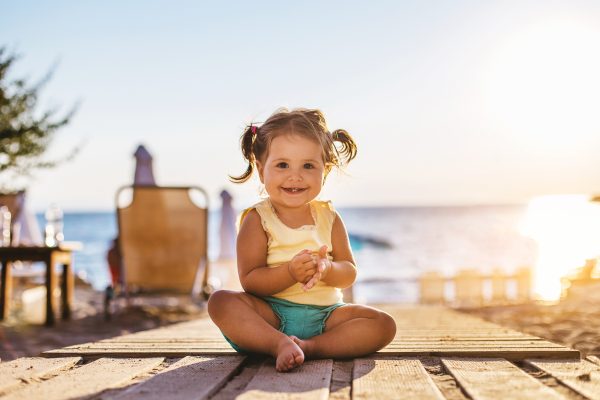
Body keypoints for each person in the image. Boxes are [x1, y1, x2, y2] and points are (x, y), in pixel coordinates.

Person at [208, 108, 396, 372]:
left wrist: (328, 269)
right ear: (262, 171)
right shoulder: (257, 219)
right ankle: (277, 344)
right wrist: (290, 272)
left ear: (325, 171)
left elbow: (349, 272)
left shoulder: (329, 217)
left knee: (383, 324)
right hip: (271, 316)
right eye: (282, 165)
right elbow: (250, 281)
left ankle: (310, 346)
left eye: (308, 166)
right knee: (221, 302)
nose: (295, 176)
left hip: (327, 315)